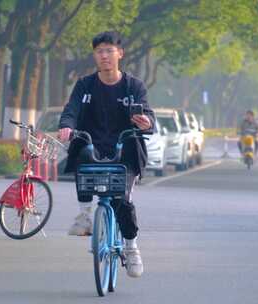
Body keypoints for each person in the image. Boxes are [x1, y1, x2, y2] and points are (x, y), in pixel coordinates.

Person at [58, 31, 155, 278]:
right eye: (99, 51)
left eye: (109, 50)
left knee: (122, 200)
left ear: (120, 54)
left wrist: (146, 122)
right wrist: (66, 126)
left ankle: (132, 247)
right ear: (95, 56)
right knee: (81, 156)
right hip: (94, 147)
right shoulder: (84, 85)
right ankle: (84, 215)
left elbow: (148, 116)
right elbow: (72, 109)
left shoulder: (134, 86)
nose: (104, 55)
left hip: (126, 150)